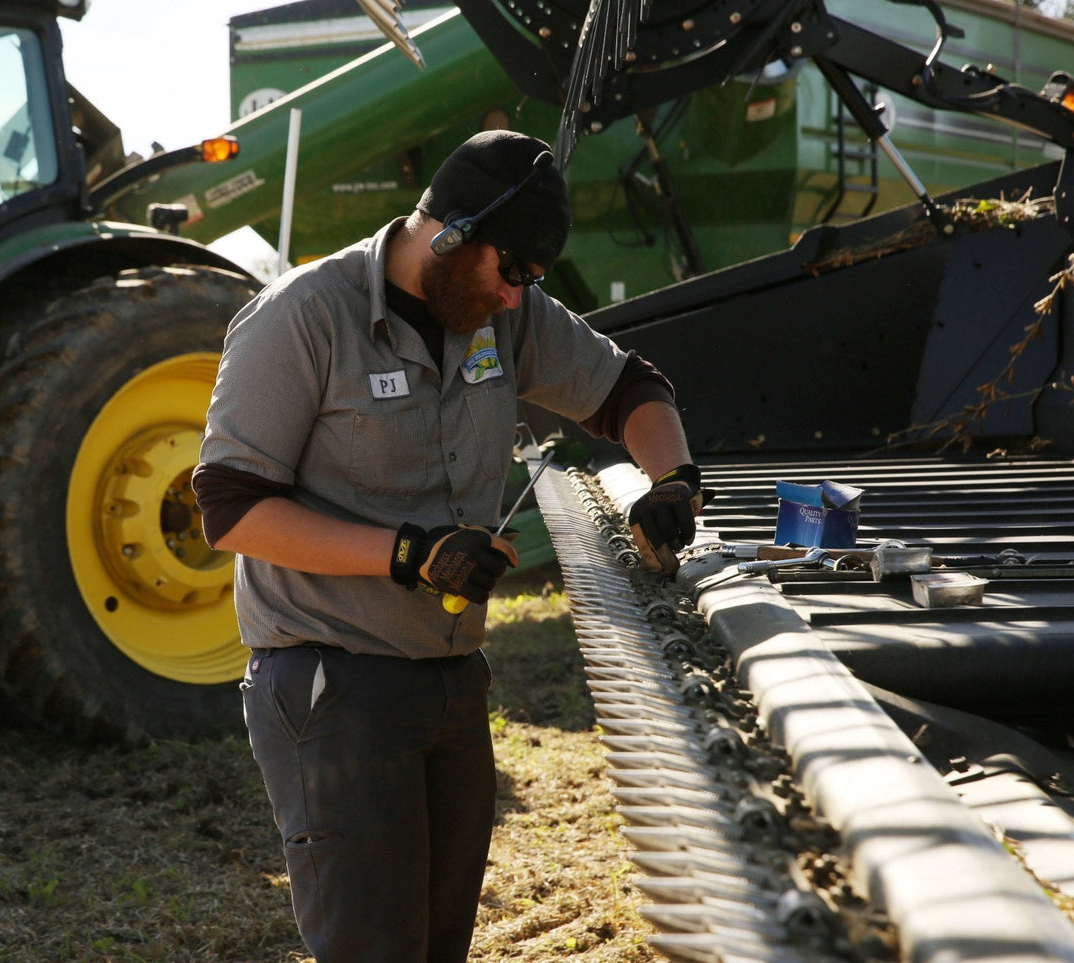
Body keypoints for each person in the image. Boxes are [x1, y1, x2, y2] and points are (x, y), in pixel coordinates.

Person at [192, 129, 706, 963]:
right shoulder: (301, 318)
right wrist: (411, 555)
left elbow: (629, 388)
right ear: (451, 233)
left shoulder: (500, 308)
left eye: (530, 282)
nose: (516, 300)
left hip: (452, 680)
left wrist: (672, 478)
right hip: (333, 685)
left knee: (438, 948)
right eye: (511, 273)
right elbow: (232, 508)